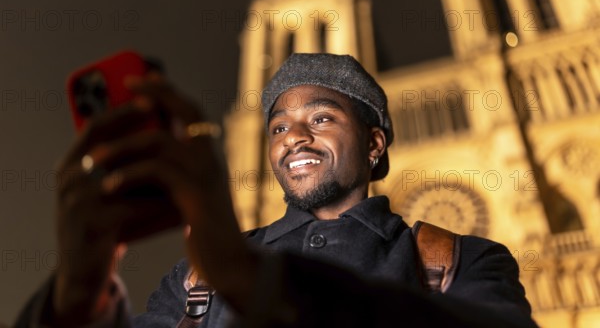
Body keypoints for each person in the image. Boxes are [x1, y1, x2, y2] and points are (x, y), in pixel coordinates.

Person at [15, 53, 538, 327]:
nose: (295, 138)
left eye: (322, 117)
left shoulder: (463, 260)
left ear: (374, 144)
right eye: (279, 127)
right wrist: (78, 297)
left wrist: (260, 285)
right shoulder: (197, 277)